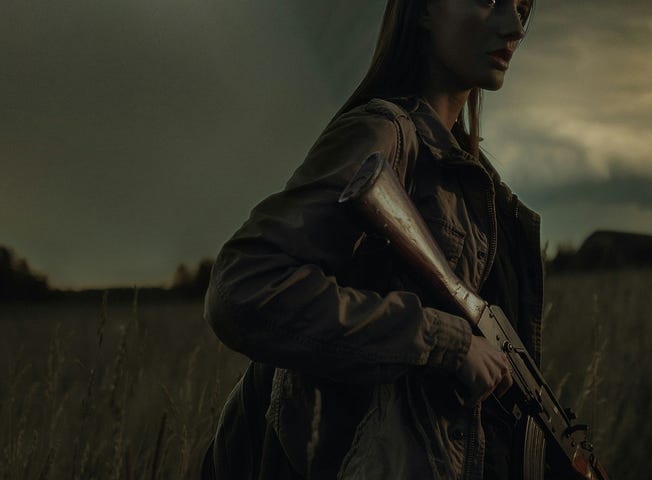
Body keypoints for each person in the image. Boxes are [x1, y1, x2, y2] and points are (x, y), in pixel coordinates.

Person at [200, 0, 550, 478]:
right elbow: (243, 287)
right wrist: (446, 341)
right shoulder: (383, 135)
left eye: (523, 7)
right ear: (424, 10)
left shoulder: (476, 183)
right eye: (489, 0)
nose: (515, 27)